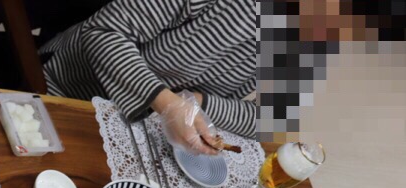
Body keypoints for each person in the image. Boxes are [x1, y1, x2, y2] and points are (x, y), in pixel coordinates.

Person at [40, 0, 256, 155]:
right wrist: (167, 103)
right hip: (69, 92)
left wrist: (194, 101)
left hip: (140, 136)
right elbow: (103, 29)